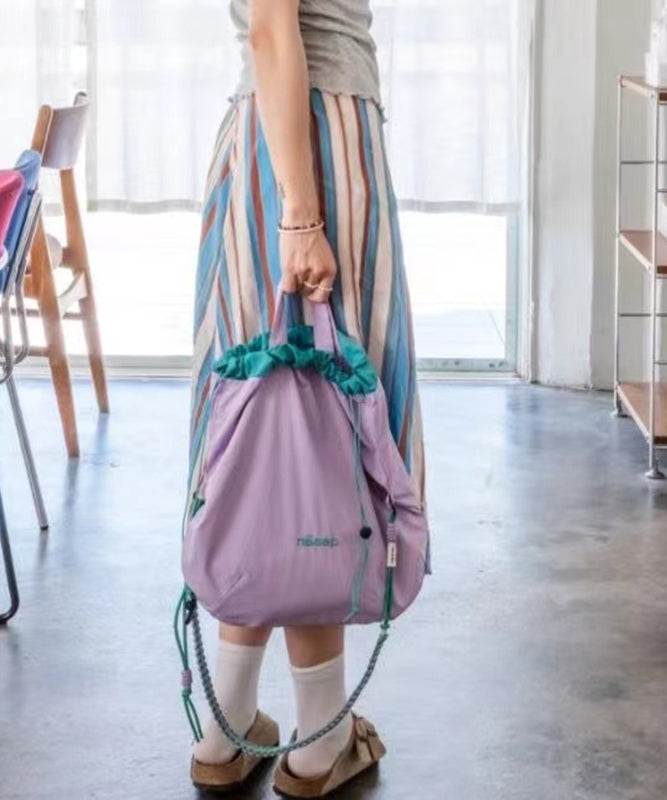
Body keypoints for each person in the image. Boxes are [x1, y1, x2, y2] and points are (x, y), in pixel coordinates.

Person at [188, 0, 427, 795]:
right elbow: (270, 24)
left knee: (265, 436)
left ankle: (227, 728)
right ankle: (320, 745)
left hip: (287, 132)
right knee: (314, 437)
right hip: (311, 143)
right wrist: (299, 215)